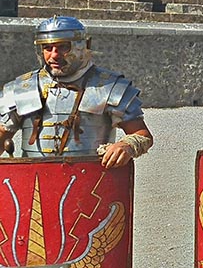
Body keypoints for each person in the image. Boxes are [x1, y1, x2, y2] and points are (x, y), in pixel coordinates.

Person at [0, 15, 152, 167]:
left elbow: (142, 135)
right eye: (47, 48)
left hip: (91, 182)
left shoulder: (109, 86)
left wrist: (127, 146)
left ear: (84, 45)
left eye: (63, 47)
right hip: (32, 182)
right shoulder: (22, 88)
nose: (54, 55)